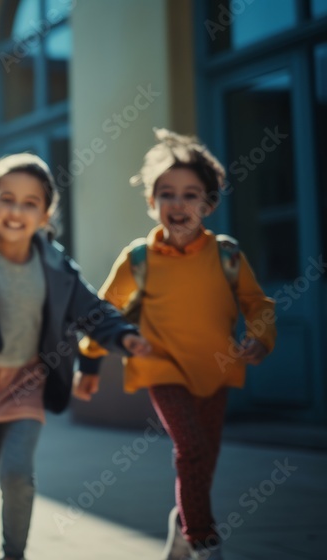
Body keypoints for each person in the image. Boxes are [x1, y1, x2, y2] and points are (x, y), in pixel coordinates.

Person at [76, 129, 277, 560]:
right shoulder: (139, 259)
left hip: (215, 369)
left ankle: (182, 526)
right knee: (190, 450)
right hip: (161, 367)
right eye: (167, 194)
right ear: (152, 203)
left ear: (209, 204)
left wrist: (260, 338)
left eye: (190, 195)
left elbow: (256, 302)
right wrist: (89, 363)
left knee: (203, 461)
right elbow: (103, 310)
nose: (178, 204)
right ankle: (204, 539)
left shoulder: (227, 256)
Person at [0, 153, 150, 560]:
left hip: (28, 386)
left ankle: (15, 553)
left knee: (19, 475)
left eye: (30, 203)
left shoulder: (57, 267)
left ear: (45, 214)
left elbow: (93, 310)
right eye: (7, 198)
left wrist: (124, 337)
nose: (16, 211)